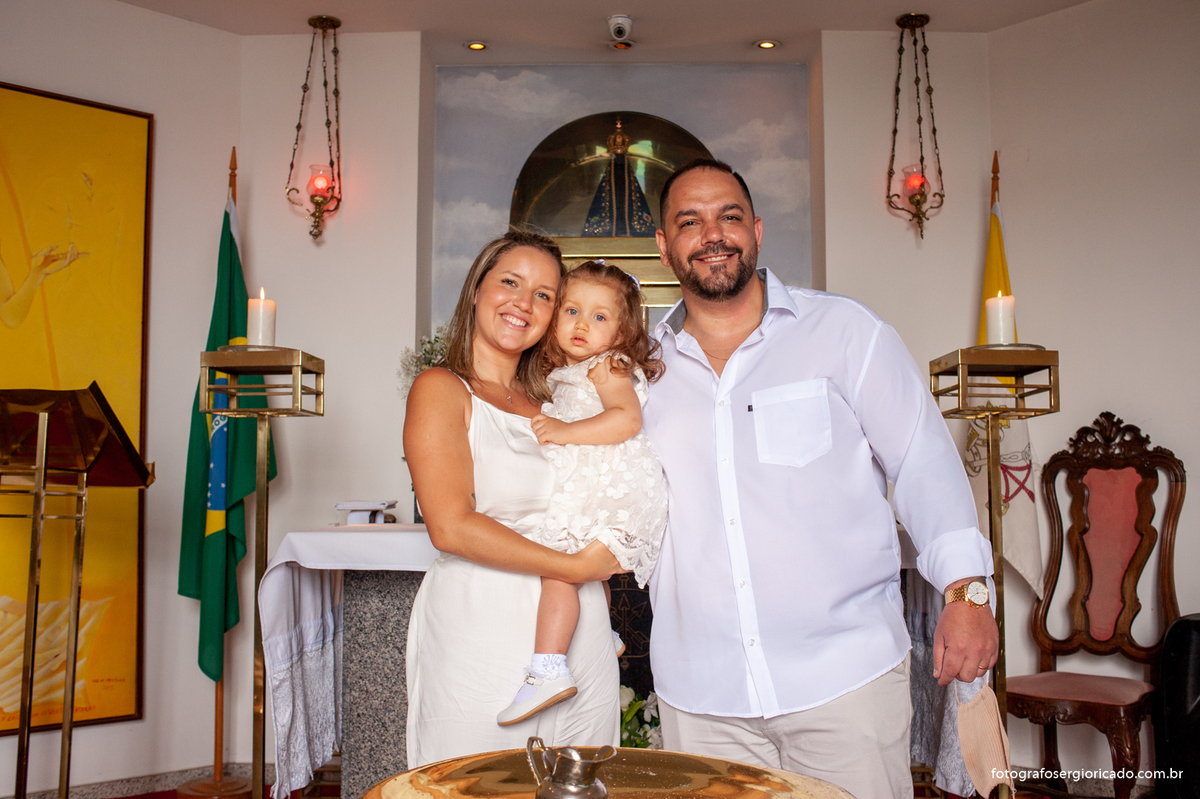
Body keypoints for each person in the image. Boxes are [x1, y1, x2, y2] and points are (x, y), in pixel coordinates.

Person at [642, 160, 999, 799]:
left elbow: (923, 461)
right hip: (701, 696)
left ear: (755, 231)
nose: (713, 234)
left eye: (729, 216)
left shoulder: (846, 333)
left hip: (845, 682)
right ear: (665, 247)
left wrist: (967, 592)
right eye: (690, 222)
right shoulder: (639, 371)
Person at [403, 231, 622, 768]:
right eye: (510, 282)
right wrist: (577, 567)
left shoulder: (564, 402)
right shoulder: (442, 388)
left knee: (580, 783)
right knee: (476, 780)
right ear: (477, 289)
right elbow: (450, 526)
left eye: (544, 294)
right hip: (483, 625)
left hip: (582, 631)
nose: (524, 302)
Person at [497, 261, 668, 727]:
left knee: (558, 568)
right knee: (582, 570)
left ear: (621, 332)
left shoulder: (607, 365)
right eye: (571, 311)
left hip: (616, 487)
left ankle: (548, 669)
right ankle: (602, 632)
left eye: (599, 316)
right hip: (601, 486)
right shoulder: (570, 371)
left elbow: (626, 419)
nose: (581, 324)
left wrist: (565, 431)